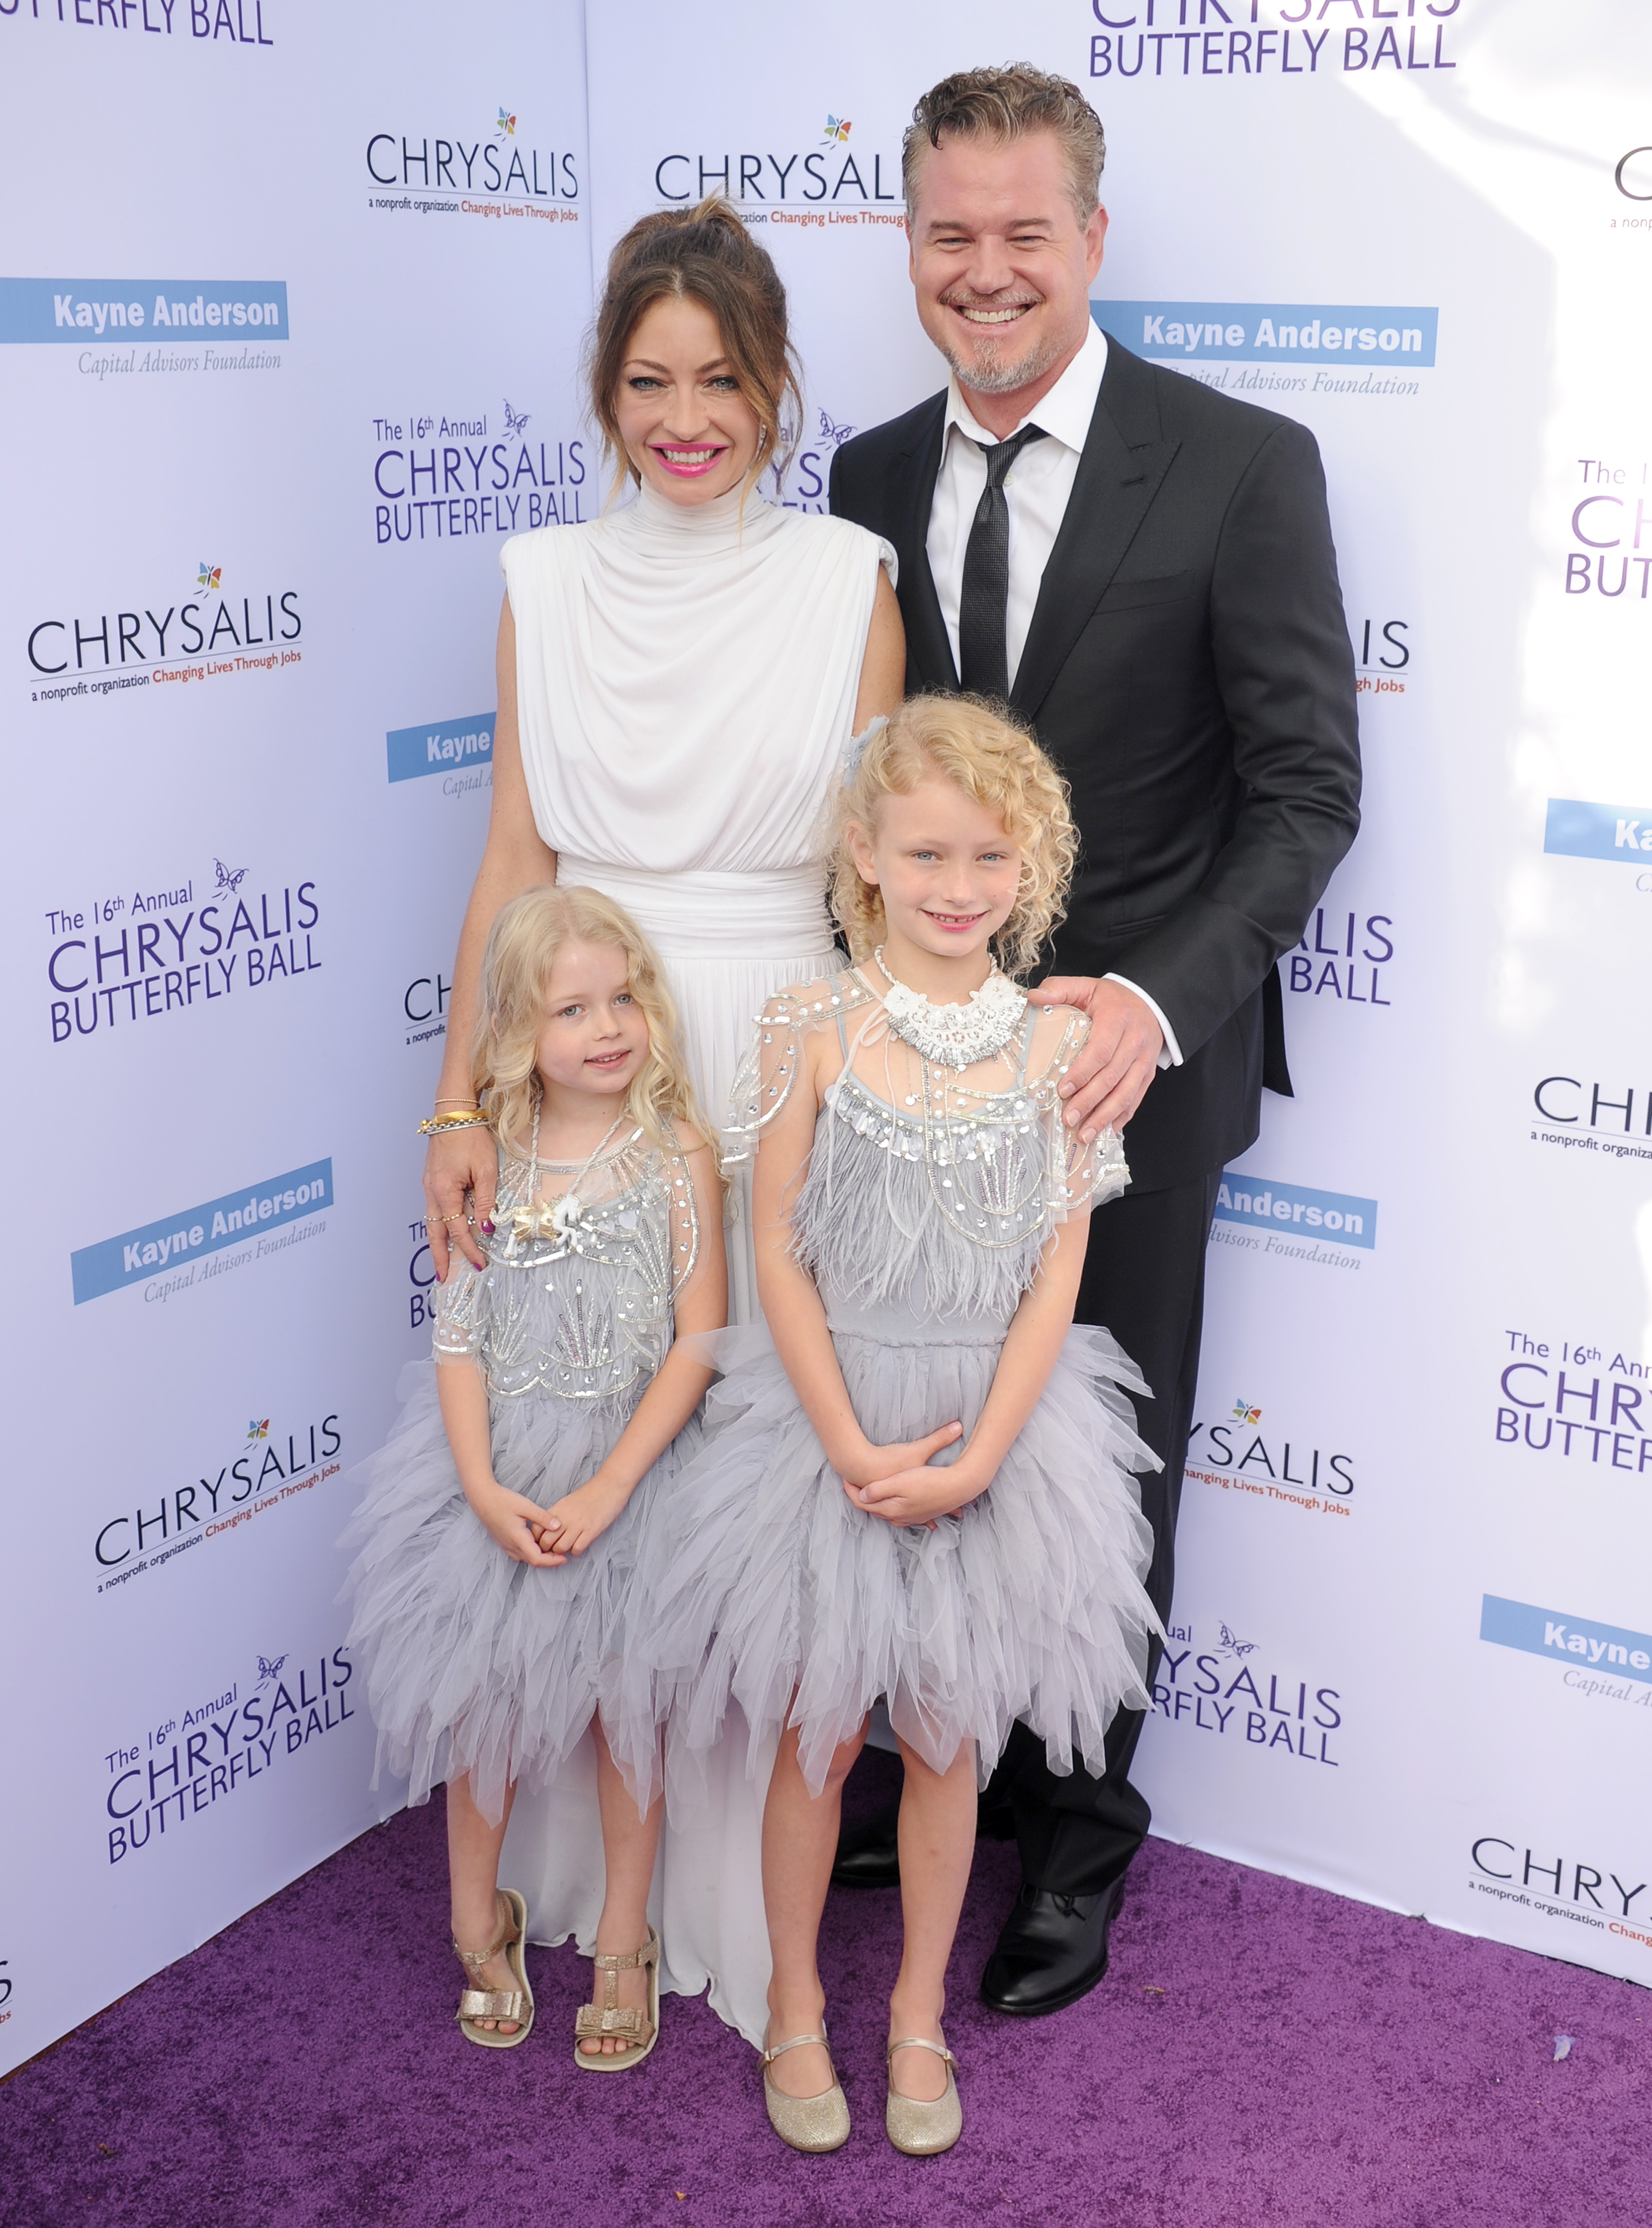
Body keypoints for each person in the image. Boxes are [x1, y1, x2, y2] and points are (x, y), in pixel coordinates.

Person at [828, 66, 1362, 2015]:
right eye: (949, 234)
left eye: (1022, 234)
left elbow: (1306, 788)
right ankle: (921, 1757)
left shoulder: (1239, 462)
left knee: (1104, 1457)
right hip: (915, 1073)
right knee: (911, 1410)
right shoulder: (865, 476)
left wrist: (1145, 1003)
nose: (986, 272)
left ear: (1093, 240)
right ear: (908, 242)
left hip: (1134, 1066)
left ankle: (1078, 1829)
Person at [628, 698, 1162, 2154]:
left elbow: (1058, 1271)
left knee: (943, 1744)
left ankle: (912, 2013)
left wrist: (982, 1455)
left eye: (989, 856)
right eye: (924, 850)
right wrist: (846, 1444)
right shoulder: (808, 1028)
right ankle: (795, 2001)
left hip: (991, 1438)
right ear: (862, 853)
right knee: (813, 1738)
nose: (954, 884)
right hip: (826, 1429)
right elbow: (778, 1250)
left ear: (1029, 867)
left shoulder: (1059, 1048)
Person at [420, 196, 903, 1328]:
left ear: (773, 383)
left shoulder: (848, 582)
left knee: (770, 1420)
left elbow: (873, 891)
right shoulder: (542, 584)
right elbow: (512, 862)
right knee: (593, 1421)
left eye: (722, 378)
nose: (686, 419)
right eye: (649, 381)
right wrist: (457, 1109)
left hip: (786, 1049)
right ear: (607, 391)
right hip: (583, 1052)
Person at [344, 885, 726, 2064]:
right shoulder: (489, 1166)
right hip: (499, 1464)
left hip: (632, 1471)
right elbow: (458, 1341)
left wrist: (611, 1487)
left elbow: (698, 1341)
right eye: (572, 1009)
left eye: (624, 1000)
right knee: (481, 1708)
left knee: (628, 1712)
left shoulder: (676, 1155)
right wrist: (477, 1483)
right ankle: (478, 1917)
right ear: (517, 1031)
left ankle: (624, 1933)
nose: (607, 1027)